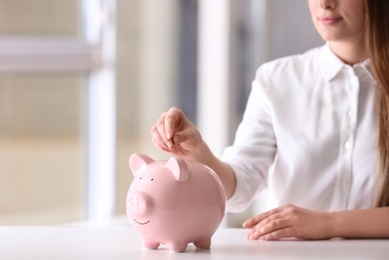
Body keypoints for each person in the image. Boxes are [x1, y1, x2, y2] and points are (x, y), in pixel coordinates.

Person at [151, 0, 389, 240]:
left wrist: (328, 224)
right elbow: (240, 185)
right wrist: (199, 152)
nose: (325, 3)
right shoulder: (276, 80)